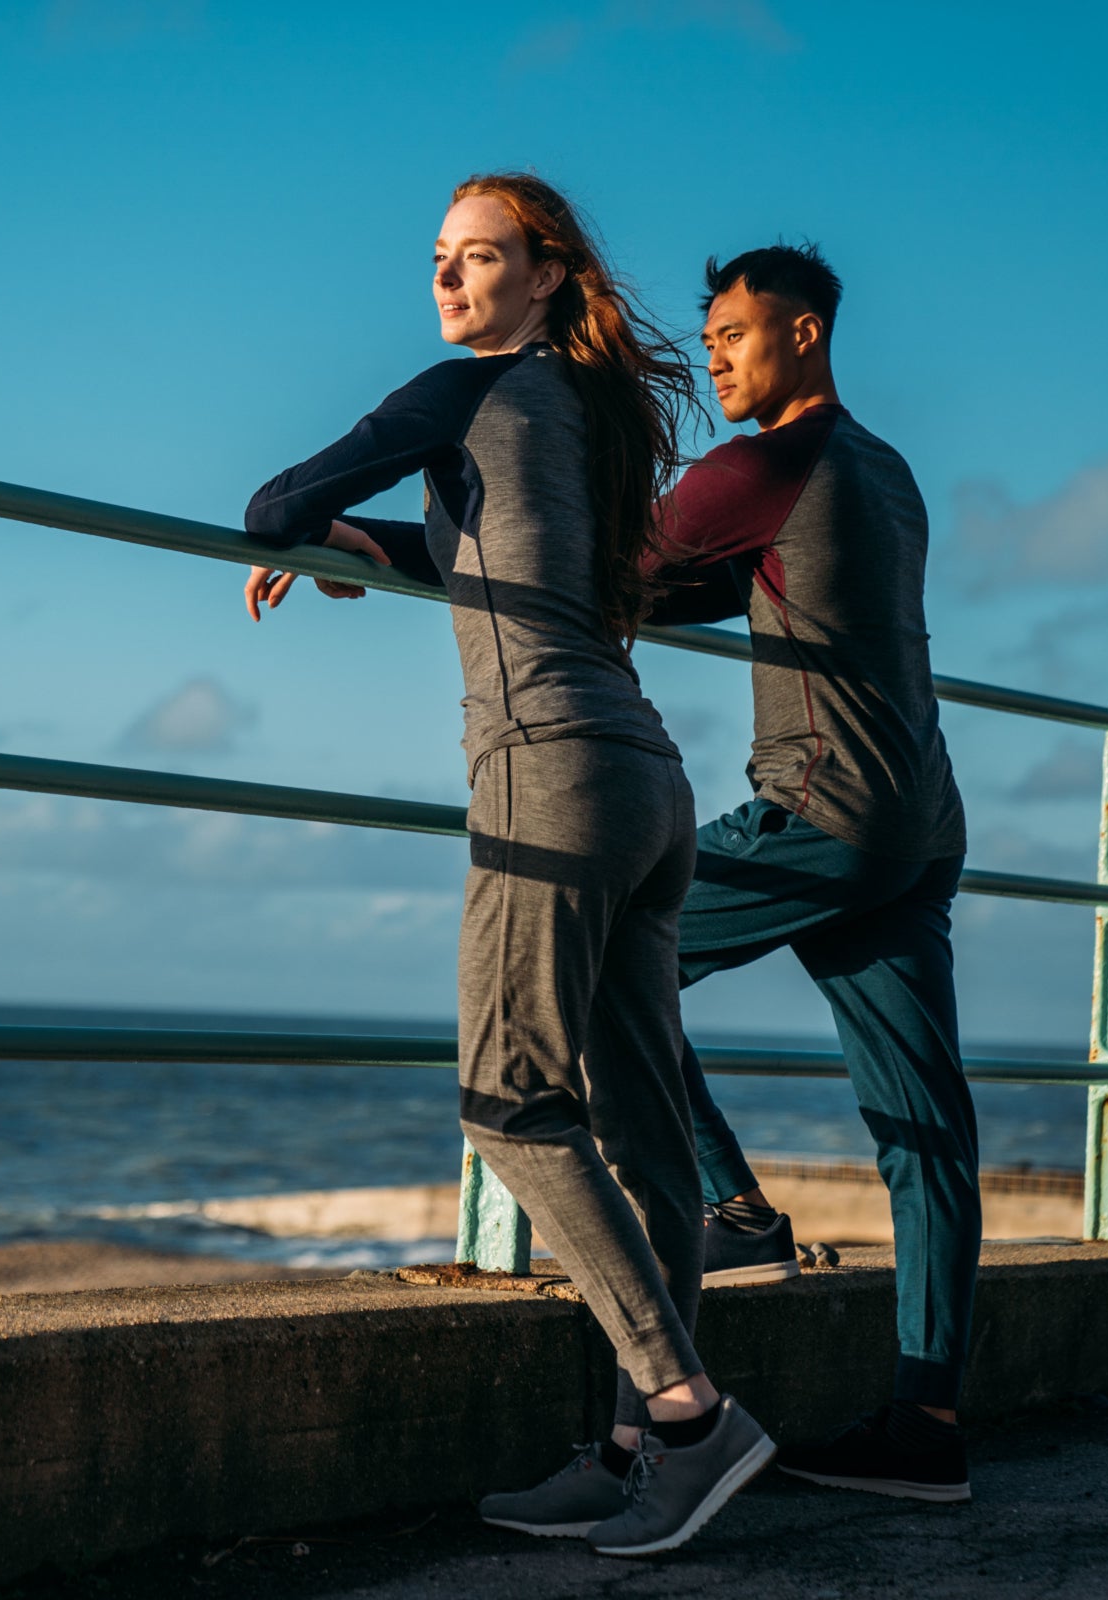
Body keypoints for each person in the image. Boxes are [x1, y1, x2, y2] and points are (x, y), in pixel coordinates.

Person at [239, 172, 772, 1558]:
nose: (450, 282)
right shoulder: (595, 419)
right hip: (648, 783)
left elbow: (269, 501)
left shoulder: (459, 391)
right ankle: (624, 1452)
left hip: (546, 773)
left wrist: (317, 522)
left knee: (510, 1106)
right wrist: (390, 545)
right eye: (437, 260)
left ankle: (690, 1416)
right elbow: (521, 565)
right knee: (651, 1140)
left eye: (479, 259)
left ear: (545, 273)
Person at [648, 243, 981, 1503]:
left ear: (804, 334)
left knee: (606, 956)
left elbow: (597, 571)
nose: (716, 357)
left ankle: (732, 1210)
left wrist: (387, 545)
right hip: (917, 823)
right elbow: (718, 589)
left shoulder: (765, 462)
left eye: (734, 333)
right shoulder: (884, 472)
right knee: (925, 1131)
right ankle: (926, 1423)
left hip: (823, 814)